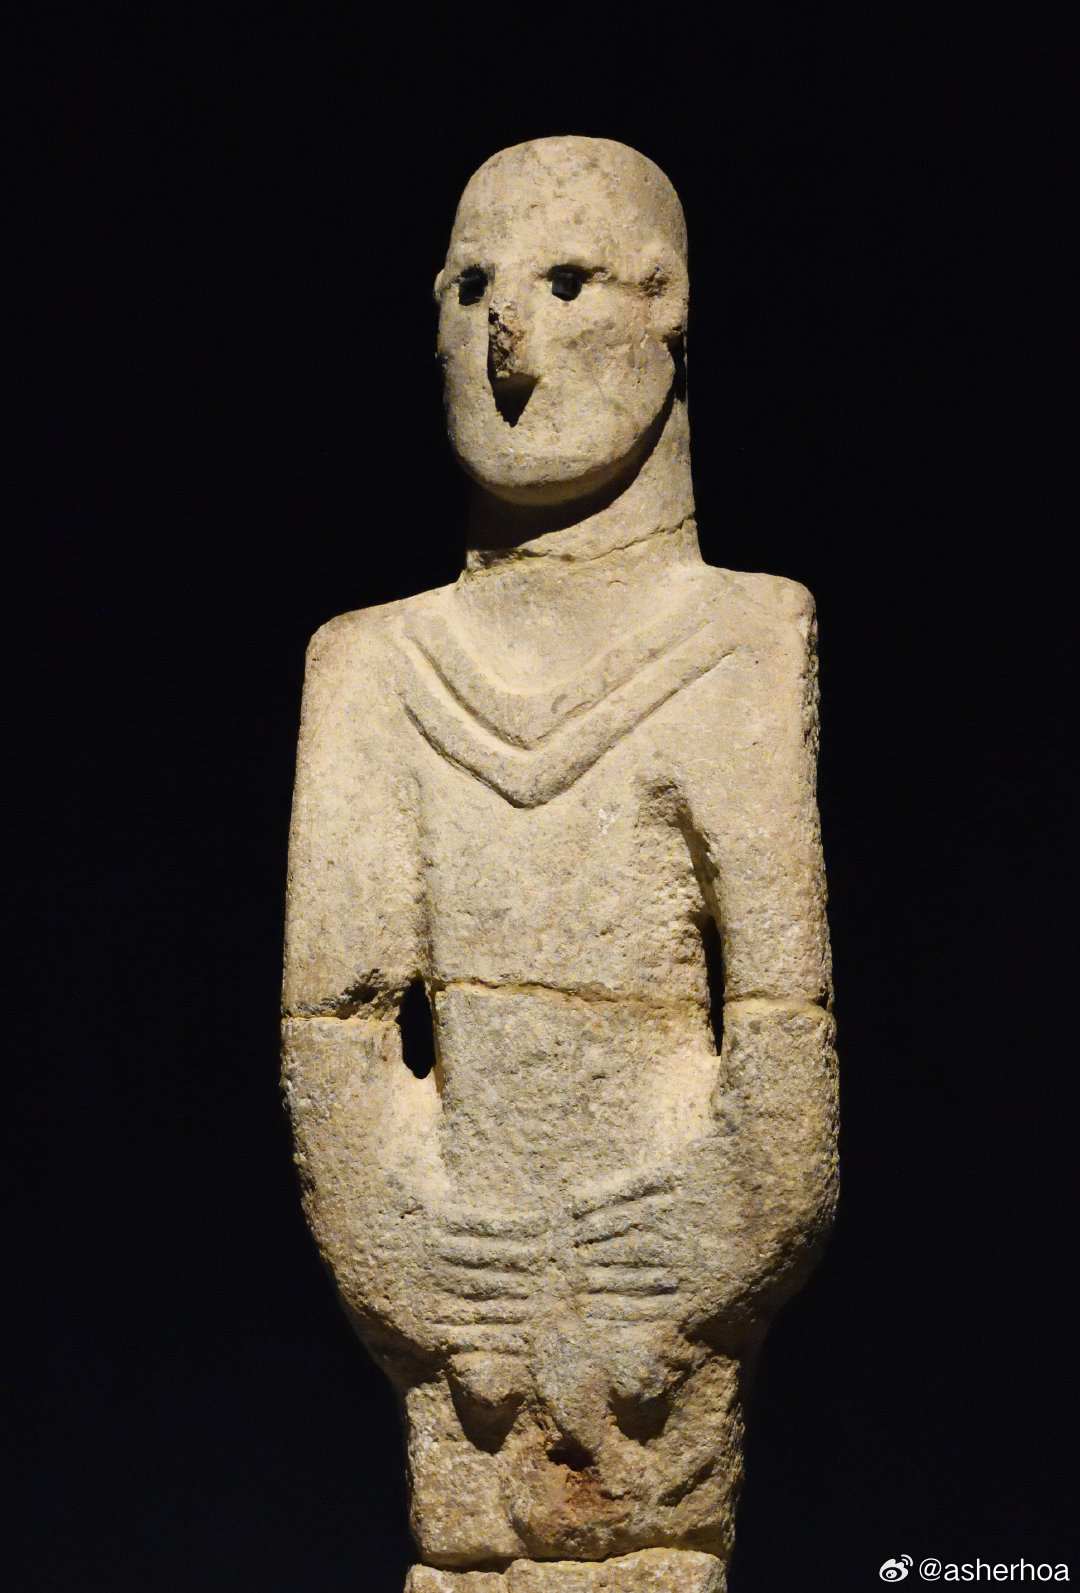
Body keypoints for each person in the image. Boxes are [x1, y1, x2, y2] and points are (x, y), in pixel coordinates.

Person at [282, 136, 836, 1584]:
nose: (507, 334)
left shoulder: (743, 643)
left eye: (567, 281)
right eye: (472, 289)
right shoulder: (372, 668)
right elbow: (337, 1039)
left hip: (656, 1333)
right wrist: (407, 1246)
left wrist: (706, 1237)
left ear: (667, 308)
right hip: (457, 1328)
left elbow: (782, 1054)